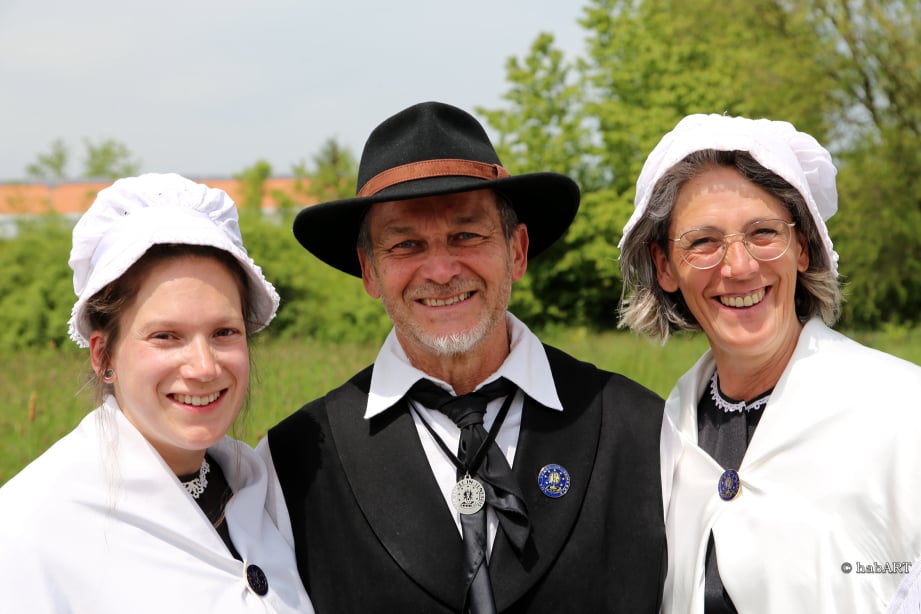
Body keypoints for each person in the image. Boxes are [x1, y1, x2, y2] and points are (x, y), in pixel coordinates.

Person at [258, 101, 666, 613]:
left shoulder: (643, 429)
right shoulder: (290, 464)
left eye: (466, 235)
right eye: (406, 244)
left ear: (516, 251)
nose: (442, 269)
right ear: (369, 271)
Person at [618, 113, 921, 613]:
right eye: (703, 242)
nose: (738, 267)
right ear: (665, 267)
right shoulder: (667, 431)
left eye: (763, 232)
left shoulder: (901, 409)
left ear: (802, 246)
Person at [0, 173, 315, 613]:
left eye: (224, 332)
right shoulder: (30, 526)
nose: (205, 367)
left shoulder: (264, 490)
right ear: (103, 354)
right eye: (166, 336)